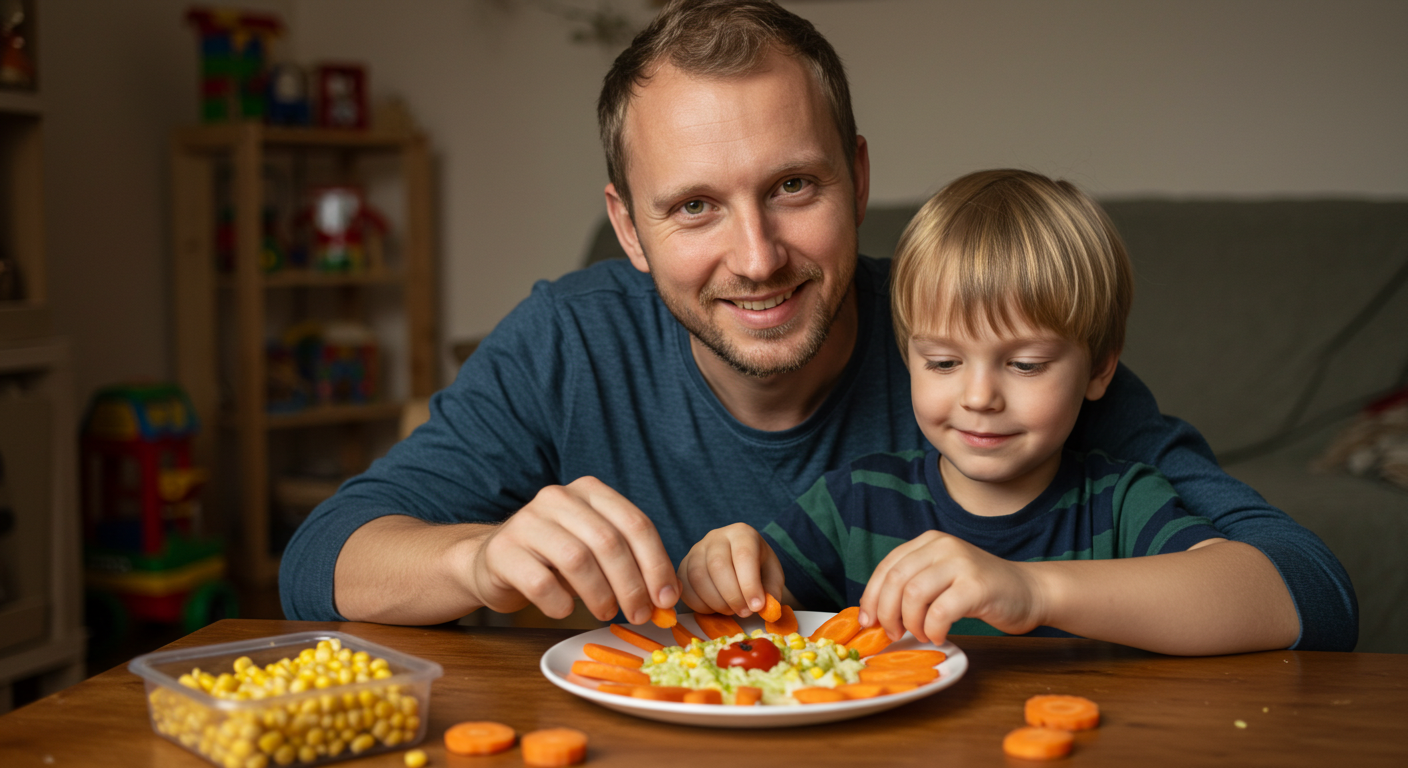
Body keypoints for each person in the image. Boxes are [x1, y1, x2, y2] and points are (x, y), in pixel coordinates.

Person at [278, 0, 1356, 651]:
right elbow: (323, 559)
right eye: (694, 206)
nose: (756, 257)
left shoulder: (969, 339)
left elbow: (1304, 587)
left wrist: (1038, 589)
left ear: (858, 175)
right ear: (629, 227)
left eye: (793, 186)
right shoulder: (567, 340)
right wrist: (479, 561)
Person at [680, 169, 1291, 655]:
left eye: (1025, 365)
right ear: (907, 358)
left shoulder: (1124, 505)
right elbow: (753, 620)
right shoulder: (854, 503)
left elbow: (1269, 599)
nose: (979, 397)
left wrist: (1031, 591)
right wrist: (728, 570)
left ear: (1101, 368)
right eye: (943, 363)